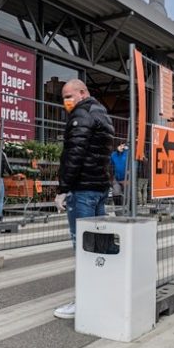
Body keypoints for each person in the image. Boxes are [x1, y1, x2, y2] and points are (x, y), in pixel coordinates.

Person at [53, 79, 115, 319]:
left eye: (69, 95)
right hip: (99, 188)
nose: (66, 101)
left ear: (82, 92)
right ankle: (101, 295)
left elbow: (74, 153)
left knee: (83, 246)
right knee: (98, 245)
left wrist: (62, 188)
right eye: (63, 97)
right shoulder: (103, 115)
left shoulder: (81, 114)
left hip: (82, 190)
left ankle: (85, 301)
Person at [109, 141, 128, 207]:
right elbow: (109, 165)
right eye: (120, 145)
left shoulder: (128, 154)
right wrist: (111, 177)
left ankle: (128, 212)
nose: (121, 147)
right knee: (116, 194)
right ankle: (118, 212)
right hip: (116, 178)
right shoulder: (113, 155)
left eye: (123, 145)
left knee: (128, 196)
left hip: (126, 178)